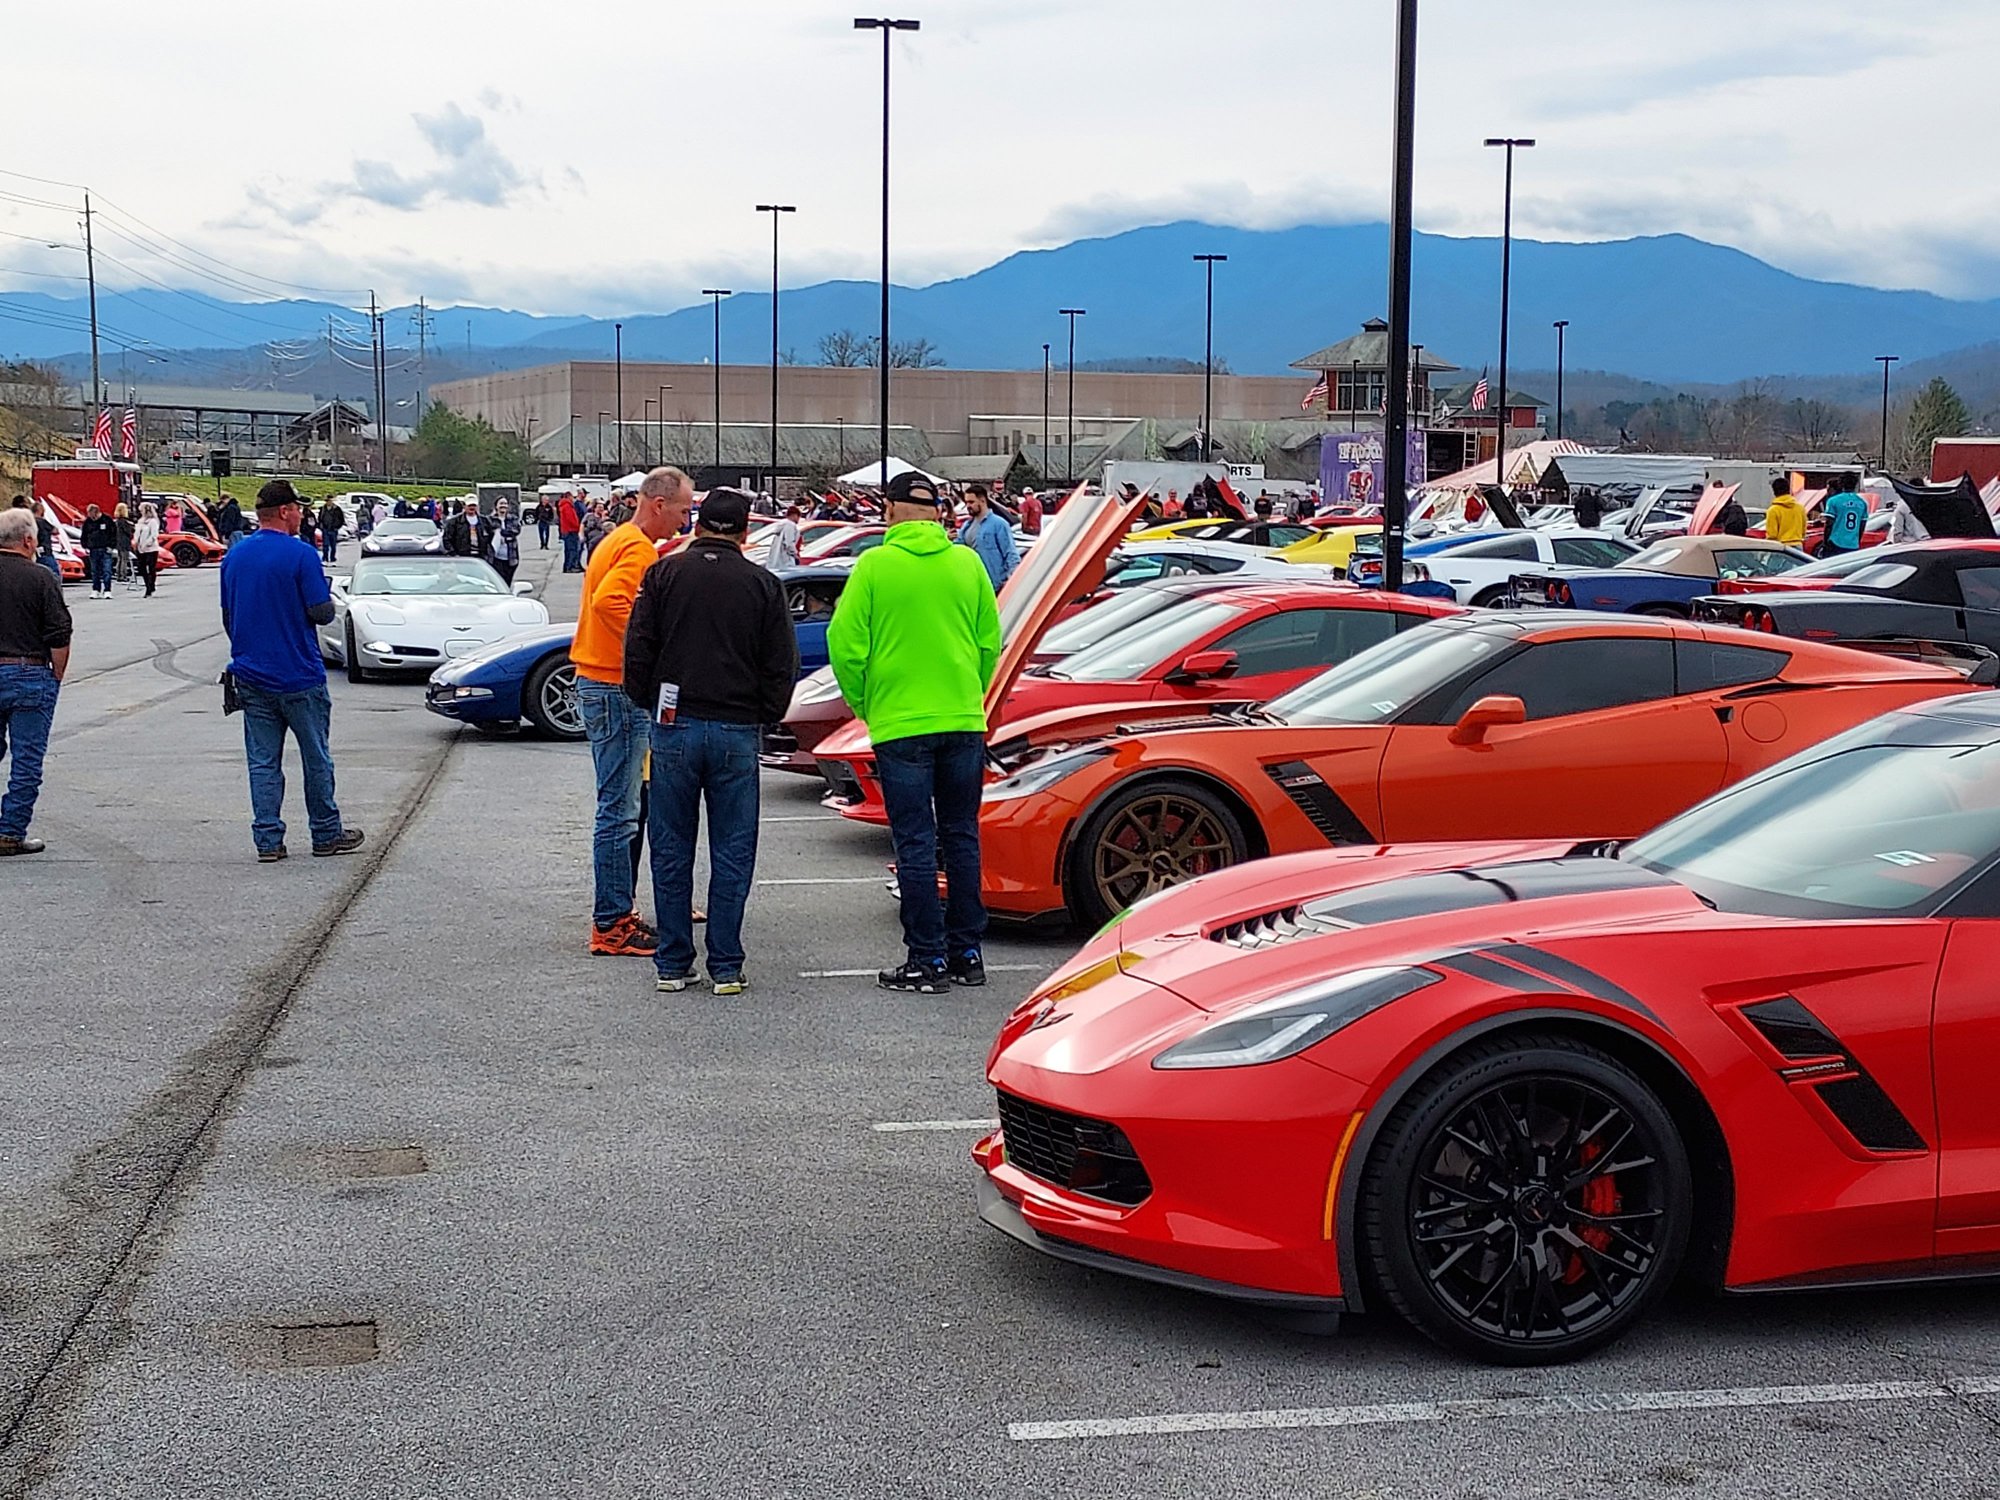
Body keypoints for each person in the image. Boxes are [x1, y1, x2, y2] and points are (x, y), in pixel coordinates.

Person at [827, 470, 1001, 994]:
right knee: (962, 837)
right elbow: (990, 643)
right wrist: (969, 692)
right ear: (936, 514)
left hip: (901, 724)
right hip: (962, 719)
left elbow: (845, 644)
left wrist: (868, 703)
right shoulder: (966, 564)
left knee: (915, 843)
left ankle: (926, 960)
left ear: (891, 510)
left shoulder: (875, 566)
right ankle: (967, 953)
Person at [624, 488, 796, 996]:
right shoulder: (763, 585)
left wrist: (648, 702)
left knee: (671, 845)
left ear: (697, 526)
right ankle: (726, 963)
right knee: (733, 848)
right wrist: (764, 714)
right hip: (736, 728)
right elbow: (780, 664)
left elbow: (638, 649)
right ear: (745, 532)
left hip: (674, 725)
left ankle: (673, 961)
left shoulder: (663, 575)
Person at [573, 467, 695, 957]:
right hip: (612, 686)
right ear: (658, 503)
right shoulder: (639, 549)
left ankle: (619, 910)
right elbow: (610, 603)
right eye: (684, 510)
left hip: (600, 681)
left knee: (623, 806)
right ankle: (611, 923)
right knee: (620, 811)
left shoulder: (620, 538)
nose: (685, 522)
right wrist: (647, 652)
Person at [218, 480, 364, 864]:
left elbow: (228, 617)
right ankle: (325, 833)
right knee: (316, 756)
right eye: (297, 508)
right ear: (285, 512)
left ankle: (268, 839)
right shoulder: (301, 555)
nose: (301, 514)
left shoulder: (234, 557)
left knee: (263, 761)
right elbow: (320, 612)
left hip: (251, 673)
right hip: (298, 673)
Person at [0, 506, 71, 857]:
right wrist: (55, 676)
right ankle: (10, 832)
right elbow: (59, 633)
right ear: (28, 540)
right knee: (26, 758)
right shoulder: (41, 577)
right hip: (29, 670)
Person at [957, 483, 1019, 589]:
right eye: (966, 502)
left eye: (971, 502)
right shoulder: (966, 526)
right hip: (974, 585)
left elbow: (1010, 553)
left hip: (995, 586)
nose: (968, 506)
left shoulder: (999, 524)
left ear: (982, 500)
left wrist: (1012, 582)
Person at [1820, 473, 1869, 557]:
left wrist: (1825, 543)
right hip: (1853, 545)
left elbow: (1829, 524)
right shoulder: (1862, 503)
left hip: (1836, 542)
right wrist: (1857, 541)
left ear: (1841, 484)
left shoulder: (1833, 501)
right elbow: (1862, 526)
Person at [79, 504, 116, 599]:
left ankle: (107, 590)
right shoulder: (88, 522)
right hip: (93, 549)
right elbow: (84, 534)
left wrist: (112, 546)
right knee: (94, 571)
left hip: (105, 549)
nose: (90, 516)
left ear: (96, 512)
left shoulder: (107, 520)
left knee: (107, 570)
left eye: (91, 514)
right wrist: (85, 546)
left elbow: (113, 533)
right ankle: (96, 589)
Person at [1763, 478, 1806, 547]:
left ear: (1774, 491)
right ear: (1789, 490)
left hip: (1781, 547)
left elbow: (1772, 535)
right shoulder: (1800, 508)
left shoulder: (1773, 510)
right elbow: (1803, 530)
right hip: (1798, 545)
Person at [131, 502, 162, 597]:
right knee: (141, 568)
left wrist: (147, 543)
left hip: (151, 548)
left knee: (151, 568)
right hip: (140, 548)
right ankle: (147, 584)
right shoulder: (140, 521)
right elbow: (137, 533)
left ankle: (150, 586)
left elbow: (154, 535)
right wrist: (135, 541)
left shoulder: (153, 522)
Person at [489, 499, 523, 585]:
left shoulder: (513, 519)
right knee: (498, 582)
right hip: (495, 558)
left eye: (505, 503)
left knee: (508, 582)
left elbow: (515, 530)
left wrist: (500, 532)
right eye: (501, 503)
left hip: (511, 557)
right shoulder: (490, 519)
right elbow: (488, 532)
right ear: (496, 506)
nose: (503, 505)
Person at [766, 504, 802, 571]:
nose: (798, 519)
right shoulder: (790, 525)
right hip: (786, 559)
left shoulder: (781, 524)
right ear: (794, 515)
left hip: (777, 557)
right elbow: (789, 542)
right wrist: (795, 554)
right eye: (798, 516)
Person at [558, 492, 584, 572]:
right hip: (571, 530)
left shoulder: (564, 505)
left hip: (567, 530)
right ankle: (570, 566)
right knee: (572, 549)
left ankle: (568, 566)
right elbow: (571, 519)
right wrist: (577, 526)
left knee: (568, 549)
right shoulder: (567, 506)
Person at [317, 498, 346, 565]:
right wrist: (321, 526)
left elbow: (341, 519)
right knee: (325, 545)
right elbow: (320, 518)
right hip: (325, 529)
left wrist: (337, 527)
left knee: (333, 545)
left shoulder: (337, 509)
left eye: (329, 501)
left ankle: (332, 559)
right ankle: (325, 559)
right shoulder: (323, 509)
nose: (328, 502)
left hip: (333, 529)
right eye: (327, 501)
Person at [113, 503, 135, 588]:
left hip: (118, 542)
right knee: (124, 559)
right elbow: (129, 532)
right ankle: (123, 575)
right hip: (124, 542)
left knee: (119, 558)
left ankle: (118, 574)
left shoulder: (116, 521)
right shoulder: (124, 522)